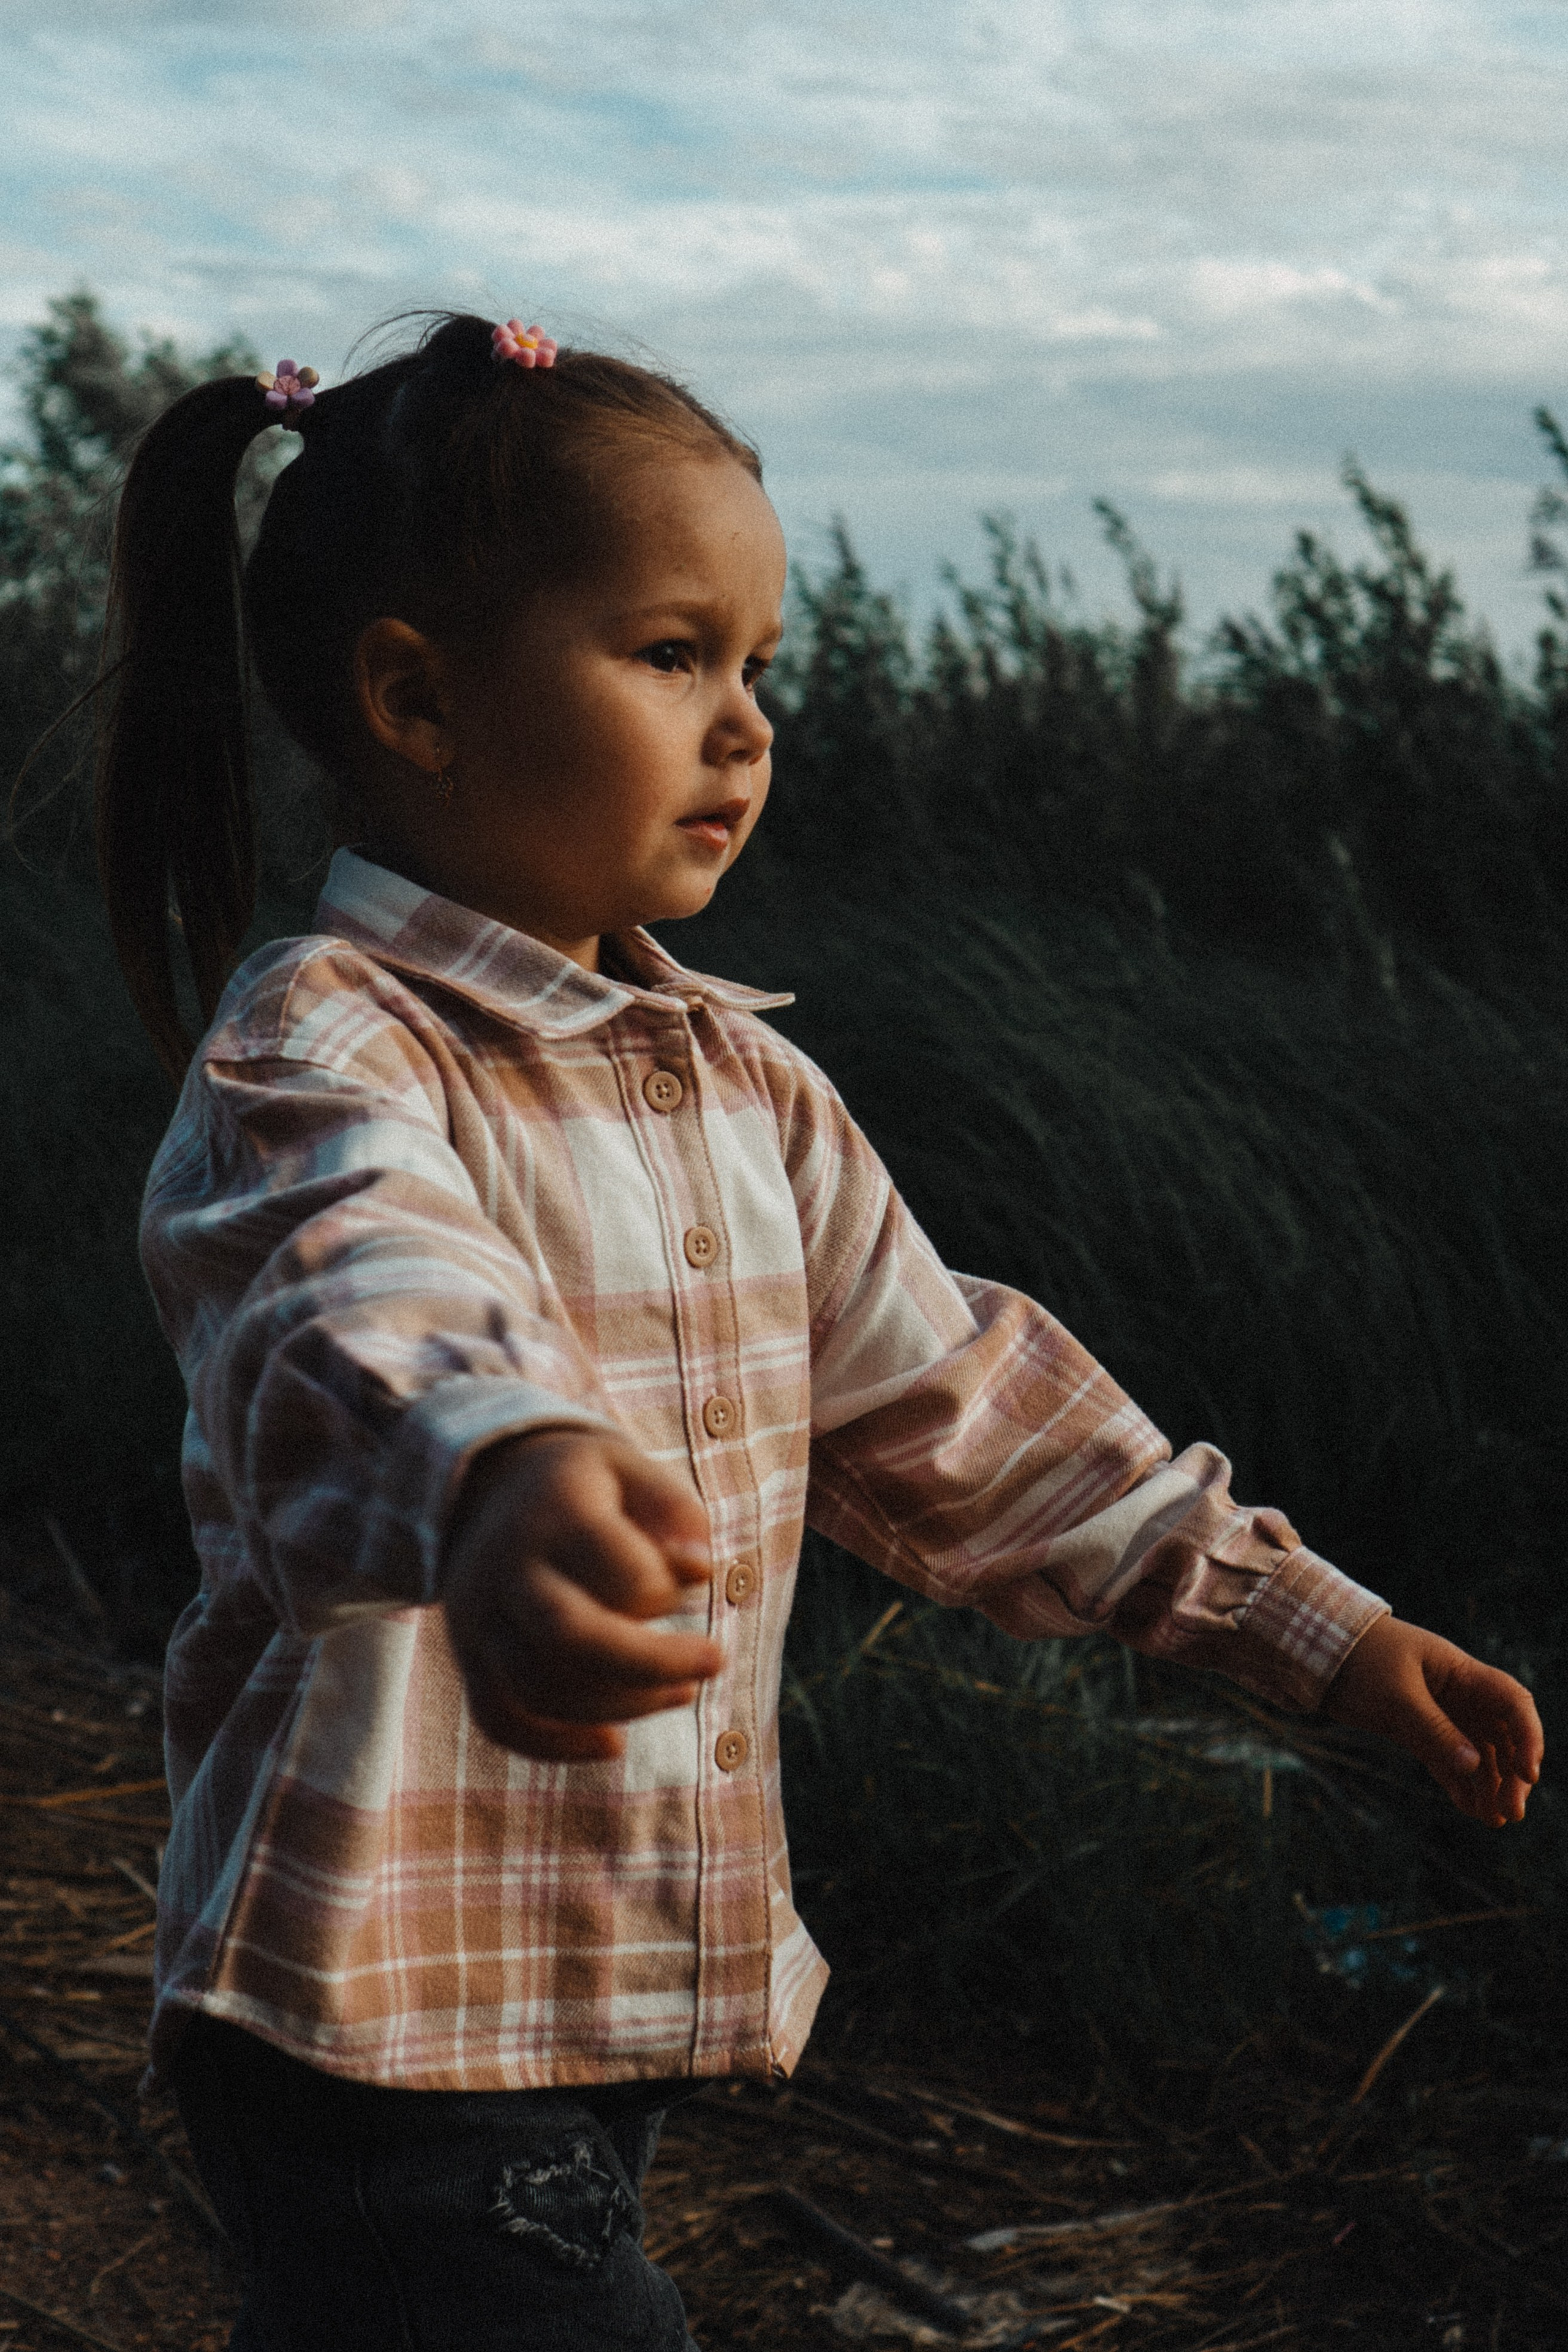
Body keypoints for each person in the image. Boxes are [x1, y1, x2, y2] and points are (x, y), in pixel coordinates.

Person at [96, 312, 1541, 2352]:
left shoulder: (746, 1093)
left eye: (761, 666)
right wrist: (500, 1463)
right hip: (373, 2012)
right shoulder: (322, 1045)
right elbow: (353, 1288)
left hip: (601, 1985)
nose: (749, 726)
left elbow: (963, 1406)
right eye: (671, 653)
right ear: (416, 696)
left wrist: (1306, 1627)